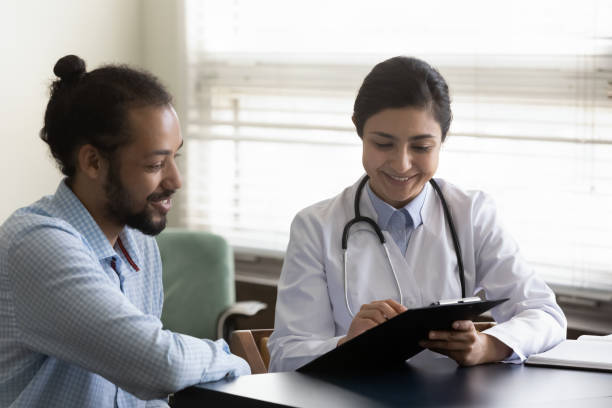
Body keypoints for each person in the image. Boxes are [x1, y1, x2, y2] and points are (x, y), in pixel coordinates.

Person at [268, 56, 567, 372]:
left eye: (422, 147)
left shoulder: (472, 213)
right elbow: (285, 357)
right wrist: (348, 345)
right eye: (383, 144)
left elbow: (545, 314)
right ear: (358, 129)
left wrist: (486, 345)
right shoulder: (316, 227)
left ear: (442, 141)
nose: (401, 164)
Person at [0, 55, 249, 408]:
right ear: (93, 162)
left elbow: (142, 392)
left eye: (175, 158)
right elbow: (160, 365)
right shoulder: (37, 243)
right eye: (155, 164)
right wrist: (237, 359)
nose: (176, 180)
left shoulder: (137, 239)